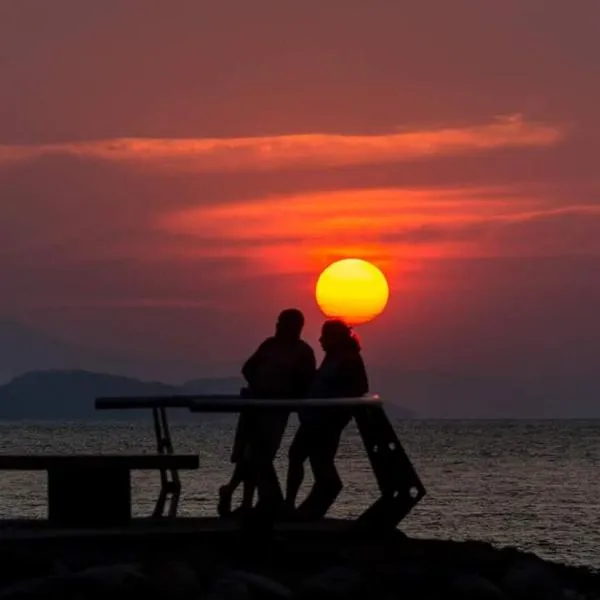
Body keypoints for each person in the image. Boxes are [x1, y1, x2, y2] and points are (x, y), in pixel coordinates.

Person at [218, 308, 316, 516]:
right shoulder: (269, 345)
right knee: (250, 453)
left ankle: (236, 493)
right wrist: (259, 386)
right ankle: (243, 499)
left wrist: (286, 395)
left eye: (285, 323)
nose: (280, 326)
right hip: (255, 406)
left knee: (262, 456)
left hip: (277, 411)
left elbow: (306, 383)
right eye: (279, 322)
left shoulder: (303, 352)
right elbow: (247, 368)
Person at [285, 318, 369, 519]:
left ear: (335, 337)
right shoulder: (332, 357)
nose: (321, 340)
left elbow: (360, 387)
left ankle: (300, 507)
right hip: (315, 417)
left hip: (327, 420)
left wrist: (337, 410)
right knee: (302, 456)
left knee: (314, 458)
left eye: (325, 336)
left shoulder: (348, 358)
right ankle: (294, 506)